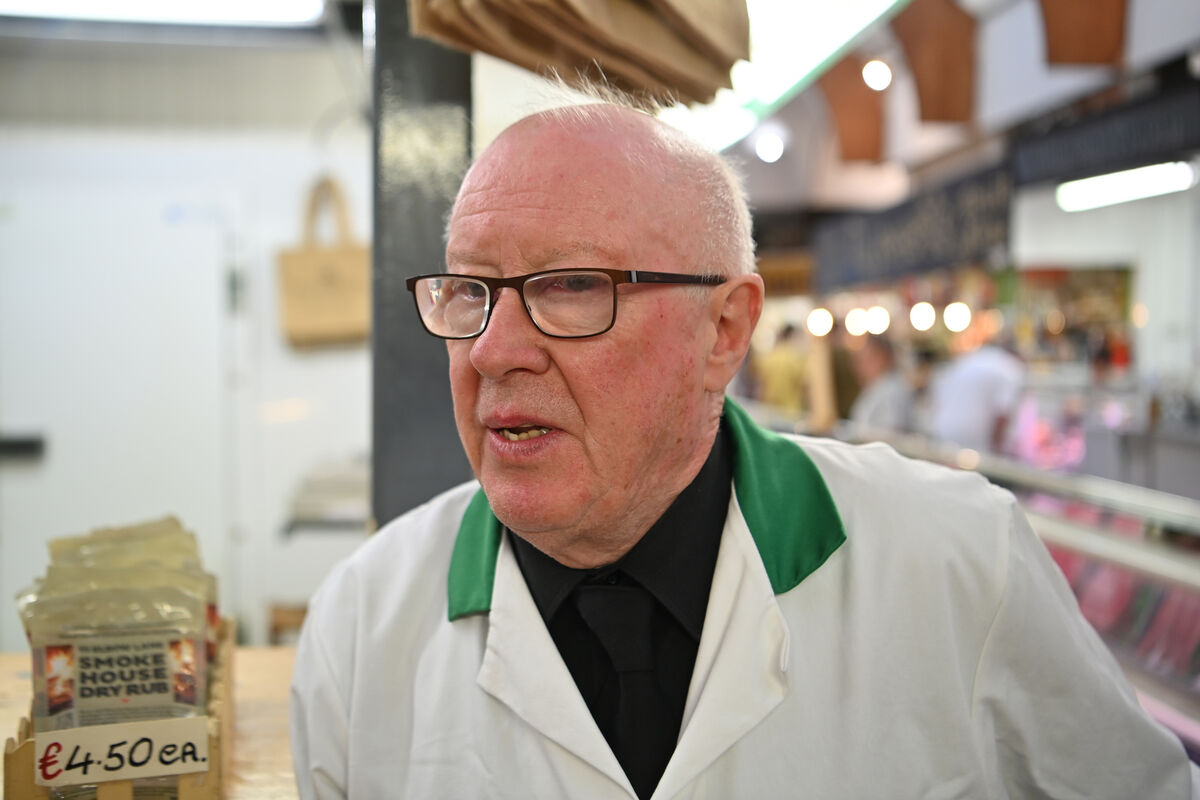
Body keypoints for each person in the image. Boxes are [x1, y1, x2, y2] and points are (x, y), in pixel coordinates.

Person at [290, 97, 1198, 799]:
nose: (491, 350)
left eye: (570, 289)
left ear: (725, 329)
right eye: (469, 293)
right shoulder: (362, 632)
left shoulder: (958, 563)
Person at [927, 332, 1026, 453]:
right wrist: (997, 451)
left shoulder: (968, 360)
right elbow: (1002, 415)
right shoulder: (1010, 368)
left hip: (943, 434)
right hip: (977, 445)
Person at [847, 334, 912, 433]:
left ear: (883, 357)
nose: (859, 367)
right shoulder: (873, 387)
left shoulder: (892, 391)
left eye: (867, 360)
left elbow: (891, 435)